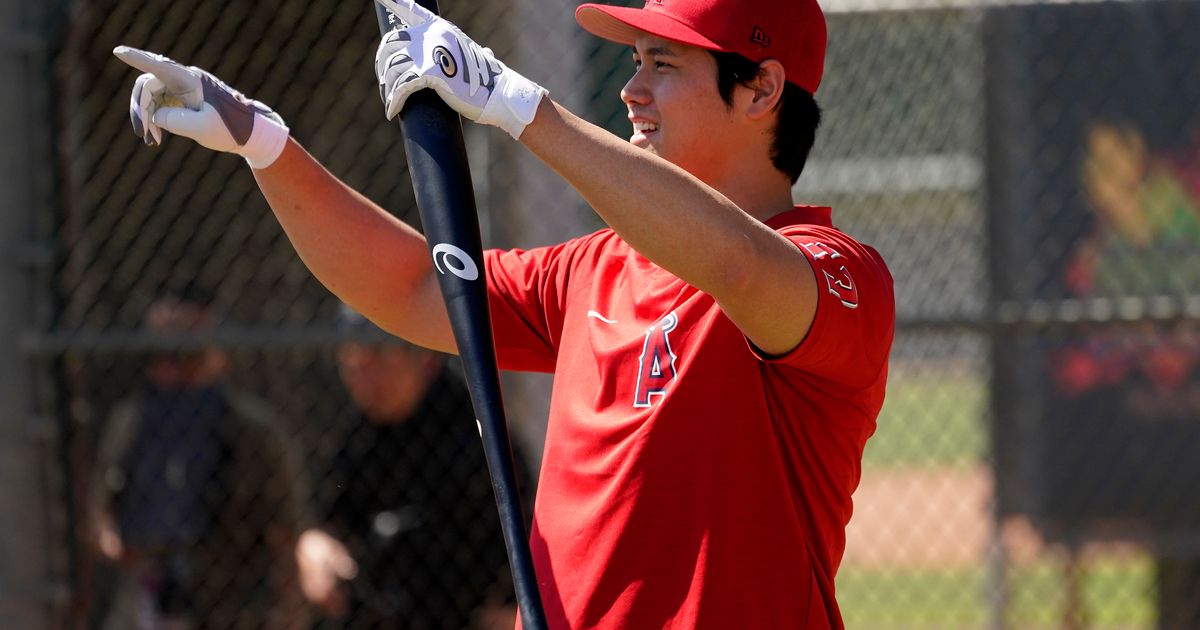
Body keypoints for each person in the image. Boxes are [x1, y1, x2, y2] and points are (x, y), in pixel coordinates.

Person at [112, 0, 896, 626]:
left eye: (665, 64)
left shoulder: (835, 273)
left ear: (761, 89)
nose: (633, 89)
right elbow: (416, 287)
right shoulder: (592, 267)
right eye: (635, 63)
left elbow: (738, 264)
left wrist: (520, 107)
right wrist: (267, 147)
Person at [296, 306, 529, 629]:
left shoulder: (473, 430)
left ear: (426, 360)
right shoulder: (355, 431)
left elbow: (527, 520)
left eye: (379, 355)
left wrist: (513, 607)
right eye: (352, 358)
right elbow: (329, 518)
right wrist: (315, 544)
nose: (364, 372)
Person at [89, 292, 306, 630]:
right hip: (146, 603)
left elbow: (286, 532)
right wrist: (141, 548)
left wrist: (289, 614)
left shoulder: (251, 429)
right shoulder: (131, 422)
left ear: (218, 355)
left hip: (233, 603)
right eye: (165, 352)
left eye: (191, 353)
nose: (175, 367)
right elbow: (101, 517)